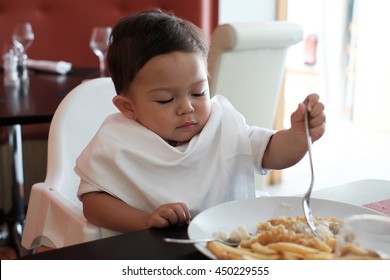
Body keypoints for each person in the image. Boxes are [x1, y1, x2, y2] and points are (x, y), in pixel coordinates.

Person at [75, 10, 326, 233]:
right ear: (128, 107)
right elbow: (94, 203)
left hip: (230, 238)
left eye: (198, 93)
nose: (187, 107)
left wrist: (297, 135)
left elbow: (271, 153)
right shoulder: (117, 140)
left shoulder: (222, 123)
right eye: (165, 99)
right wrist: (145, 220)